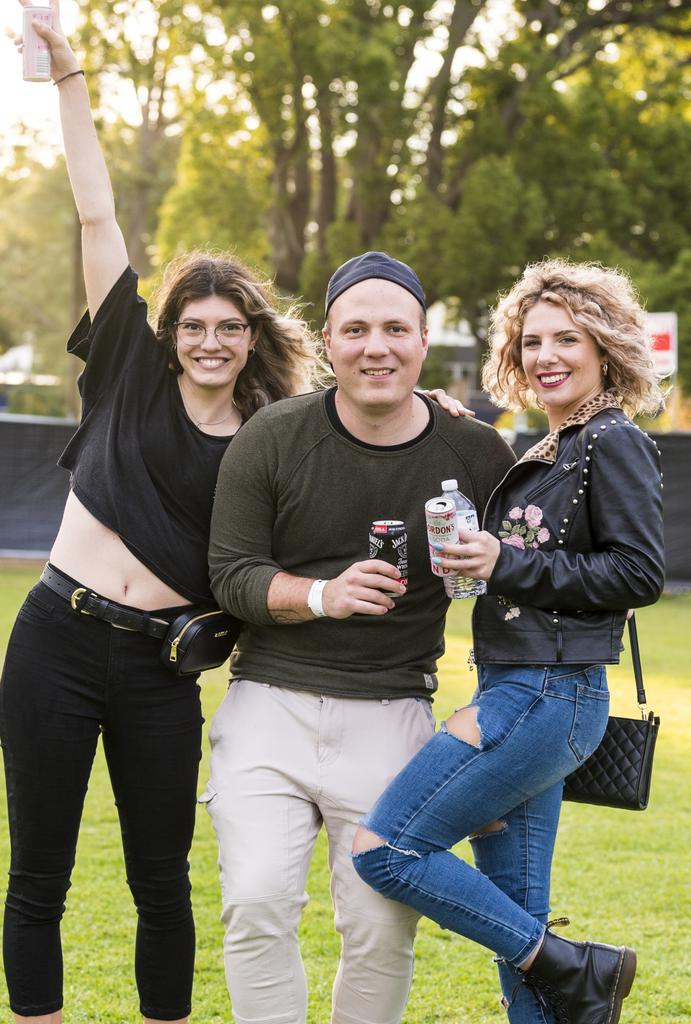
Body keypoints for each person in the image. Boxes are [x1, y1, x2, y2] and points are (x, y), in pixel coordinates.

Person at [0, 3, 320, 1022]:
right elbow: (98, 219)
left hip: (159, 667)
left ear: (250, 337)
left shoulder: (271, 432)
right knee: (37, 874)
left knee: (160, 880)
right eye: (197, 322)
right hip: (55, 636)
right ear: (171, 330)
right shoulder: (127, 370)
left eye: (232, 326)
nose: (213, 339)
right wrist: (69, 78)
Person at [205, 249, 517, 1024]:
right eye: (355, 329)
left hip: (393, 711)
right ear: (330, 342)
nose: (375, 346)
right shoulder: (274, 437)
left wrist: (493, 743)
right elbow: (231, 573)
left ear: (421, 340)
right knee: (255, 903)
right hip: (268, 702)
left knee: (380, 925)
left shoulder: (477, 452)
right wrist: (322, 595)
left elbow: (515, 602)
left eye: (394, 329)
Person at [352, 258, 666, 1024]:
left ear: (606, 349)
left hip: (548, 694)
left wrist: (507, 561)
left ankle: (576, 967)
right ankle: (563, 975)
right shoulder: (553, 444)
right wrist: (449, 419)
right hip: (516, 688)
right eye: (531, 341)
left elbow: (638, 572)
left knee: (385, 851)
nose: (546, 356)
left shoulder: (609, 440)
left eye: (568, 339)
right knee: (518, 910)